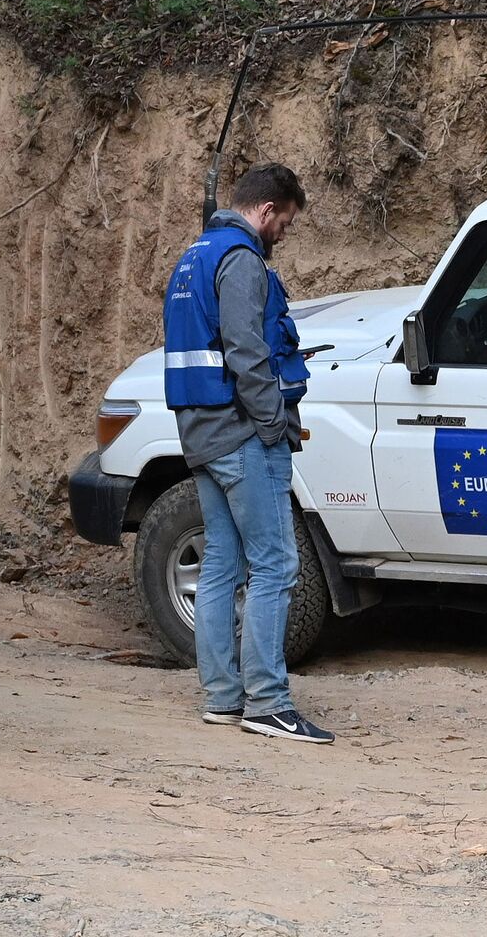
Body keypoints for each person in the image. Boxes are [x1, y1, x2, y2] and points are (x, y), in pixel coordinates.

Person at [162, 164, 333, 744]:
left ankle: (222, 698)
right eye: (284, 222)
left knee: (220, 564)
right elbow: (246, 350)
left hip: (201, 432)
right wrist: (268, 426)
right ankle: (268, 702)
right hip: (240, 434)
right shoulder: (240, 260)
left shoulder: (194, 257)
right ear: (266, 211)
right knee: (277, 565)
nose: (283, 233)